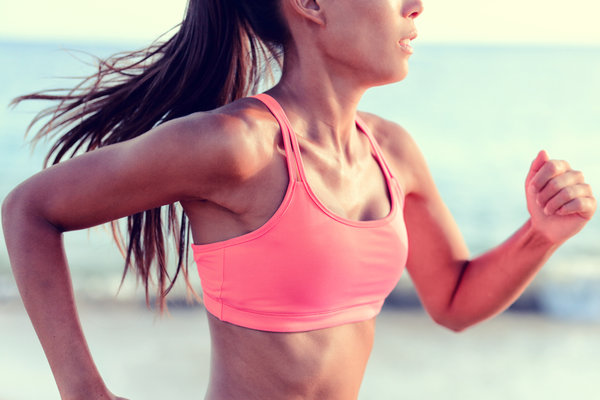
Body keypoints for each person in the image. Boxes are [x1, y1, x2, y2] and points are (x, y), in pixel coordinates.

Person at [1, 0, 596, 399]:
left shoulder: (393, 151)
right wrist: (84, 392)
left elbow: (454, 301)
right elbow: (30, 210)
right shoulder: (237, 146)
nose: (419, 3)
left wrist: (540, 233)